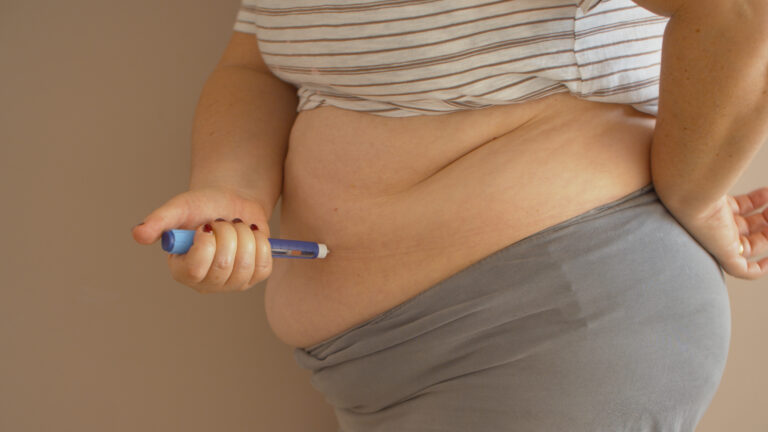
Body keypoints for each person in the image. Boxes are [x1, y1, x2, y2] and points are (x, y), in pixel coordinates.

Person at [132, 0, 768, 430]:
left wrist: (694, 191)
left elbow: (739, 11)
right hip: (362, 367)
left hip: (546, 321)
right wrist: (230, 189)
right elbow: (255, 62)